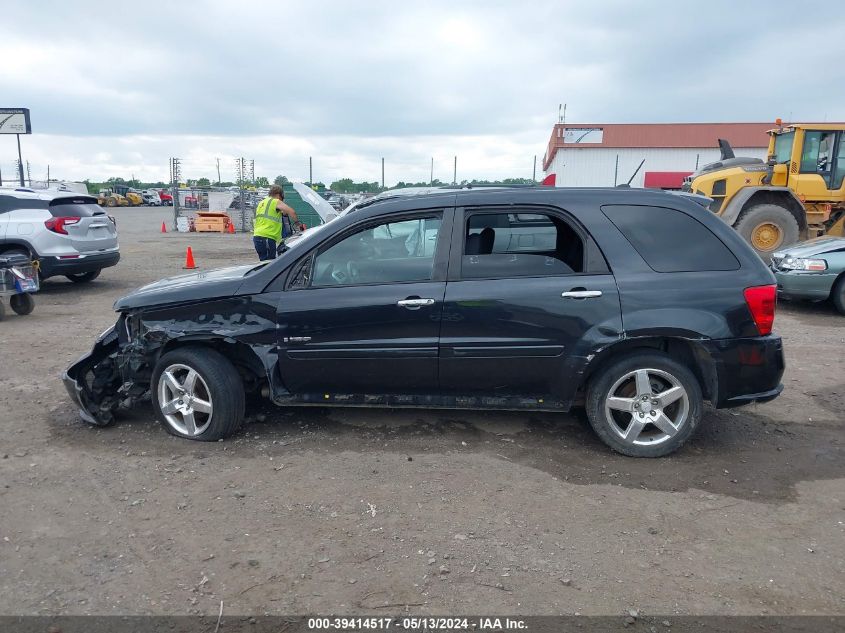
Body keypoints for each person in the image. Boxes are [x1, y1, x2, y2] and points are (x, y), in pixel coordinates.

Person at [252, 185, 299, 261]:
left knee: (264, 262)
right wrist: (298, 225)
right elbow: (292, 212)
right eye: (281, 198)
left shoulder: (262, 203)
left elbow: (273, 215)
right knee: (269, 265)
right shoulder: (275, 201)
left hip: (258, 236)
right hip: (267, 237)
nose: (281, 201)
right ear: (278, 195)